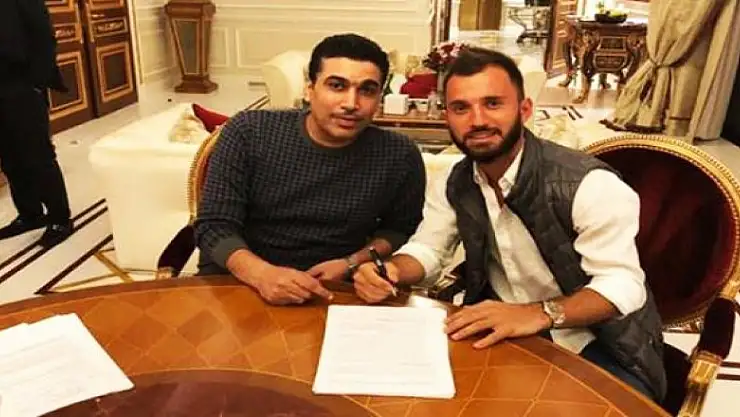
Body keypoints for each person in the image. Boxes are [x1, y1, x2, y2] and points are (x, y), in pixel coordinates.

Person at [353, 47, 667, 402]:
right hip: (500, 333)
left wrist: (539, 314)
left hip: (600, 344)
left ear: (525, 109)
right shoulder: (456, 181)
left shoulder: (589, 185)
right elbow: (429, 249)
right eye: (461, 108)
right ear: (446, 116)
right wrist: (392, 270)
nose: (477, 120)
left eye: (492, 103)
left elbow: (623, 285)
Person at [194, 34, 426, 306]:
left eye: (367, 90)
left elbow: (398, 230)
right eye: (337, 86)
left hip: (339, 290)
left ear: (379, 98)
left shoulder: (399, 154)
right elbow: (214, 226)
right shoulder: (250, 132)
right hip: (240, 283)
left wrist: (351, 263)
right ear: (309, 90)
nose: (351, 103)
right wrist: (262, 275)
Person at [0, 0, 73, 248]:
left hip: (22, 84)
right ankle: (30, 213)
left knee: (37, 154)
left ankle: (60, 218)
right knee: (9, 156)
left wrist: (36, 83)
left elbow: (44, 37)